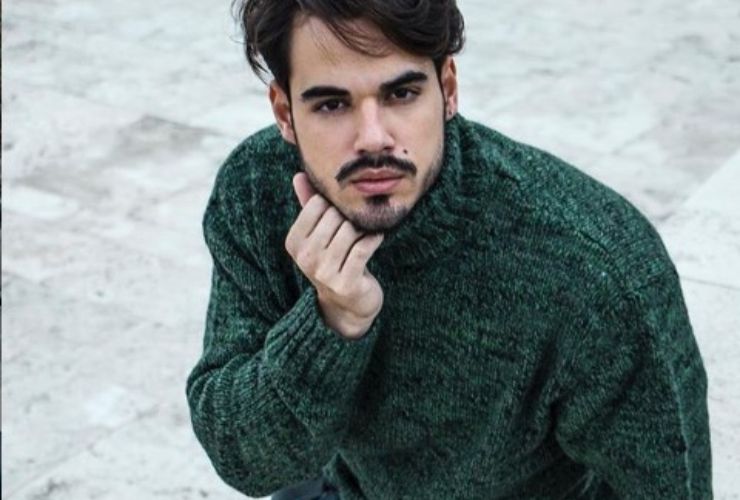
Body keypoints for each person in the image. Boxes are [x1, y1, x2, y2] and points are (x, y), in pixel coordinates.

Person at [185, 1, 712, 498]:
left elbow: (668, 484)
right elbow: (246, 462)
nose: (373, 138)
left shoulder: (594, 269)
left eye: (401, 94)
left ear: (448, 88)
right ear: (284, 111)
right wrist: (331, 321)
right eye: (332, 104)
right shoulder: (256, 191)